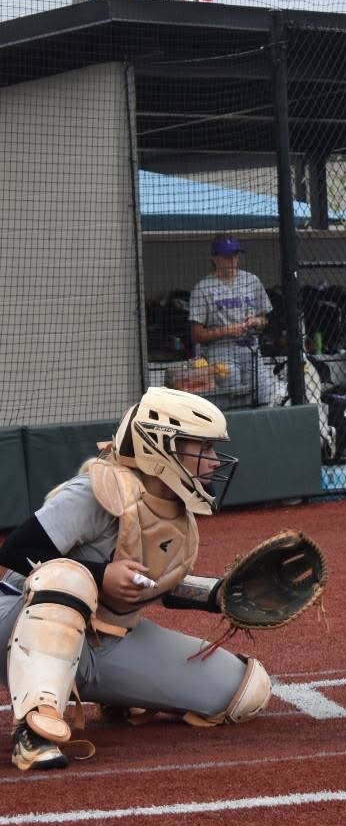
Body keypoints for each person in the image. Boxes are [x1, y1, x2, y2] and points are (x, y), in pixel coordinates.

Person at [0, 387, 273, 771]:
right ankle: (35, 731)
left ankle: (118, 696)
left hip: (100, 641)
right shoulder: (98, 490)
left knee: (242, 691)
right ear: (161, 446)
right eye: (203, 448)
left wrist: (219, 594)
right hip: (18, 629)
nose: (214, 461)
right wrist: (100, 575)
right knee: (68, 578)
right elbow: (15, 550)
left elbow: (153, 583)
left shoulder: (175, 511)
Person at [188, 235, 270, 407]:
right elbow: (196, 334)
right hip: (221, 350)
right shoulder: (203, 288)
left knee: (262, 395)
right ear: (215, 258)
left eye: (235, 254)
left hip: (251, 347)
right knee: (233, 400)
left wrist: (256, 321)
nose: (232, 259)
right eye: (227, 255)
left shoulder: (252, 281)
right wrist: (227, 330)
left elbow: (265, 320)